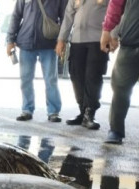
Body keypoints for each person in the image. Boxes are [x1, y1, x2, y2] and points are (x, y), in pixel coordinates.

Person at [6, 0, 67, 122]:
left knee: (51, 79)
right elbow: (16, 16)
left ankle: (53, 111)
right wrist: (10, 40)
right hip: (26, 42)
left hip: (49, 43)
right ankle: (27, 110)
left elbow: (66, 18)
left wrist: (62, 40)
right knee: (26, 79)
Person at [55, 0, 112, 130]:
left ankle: (90, 113)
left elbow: (115, 13)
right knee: (76, 75)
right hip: (77, 40)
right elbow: (68, 16)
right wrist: (61, 39)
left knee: (93, 77)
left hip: (98, 40)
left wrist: (113, 35)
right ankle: (82, 111)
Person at [100, 0, 139, 145]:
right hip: (130, 43)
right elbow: (116, 4)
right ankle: (115, 130)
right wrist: (108, 31)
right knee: (120, 87)